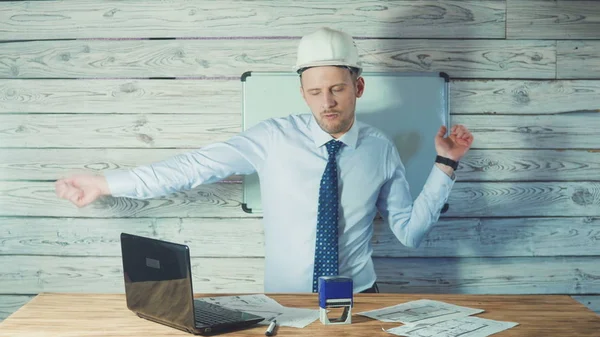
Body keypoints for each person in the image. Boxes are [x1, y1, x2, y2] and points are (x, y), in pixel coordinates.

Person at [55, 27, 474, 294]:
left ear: (358, 86)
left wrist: (445, 166)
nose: (326, 103)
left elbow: (411, 233)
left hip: (358, 298)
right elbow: (190, 167)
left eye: (337, 89)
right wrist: (105, 183)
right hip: (284, 302)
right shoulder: (271, 139)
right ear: (302, 92)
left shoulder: (380, 148)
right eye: (314, 92)